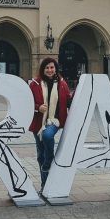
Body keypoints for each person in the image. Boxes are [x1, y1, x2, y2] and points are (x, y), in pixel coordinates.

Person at [28, 57, 70, 187]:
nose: (50, 70)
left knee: (47, 136)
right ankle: (45, 185)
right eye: (47, 68)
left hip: (54, 121)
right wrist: (37, 107)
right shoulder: (34, 84)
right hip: (38, 122)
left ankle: (48, 161)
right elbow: (27, 102)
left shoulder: (62, 84)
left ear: (56, 68)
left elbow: (68, 99)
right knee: (41, 154)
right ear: (43, 69)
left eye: (52, 67)